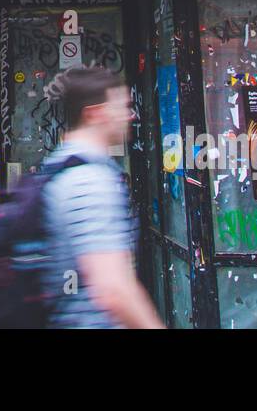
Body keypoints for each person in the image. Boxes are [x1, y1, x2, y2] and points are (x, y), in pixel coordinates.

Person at [39, 66, 164, 329]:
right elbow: (113, 290)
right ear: (94, 114)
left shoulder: (59, 166)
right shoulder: (89, 180)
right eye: (121, 107)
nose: (131, 115)